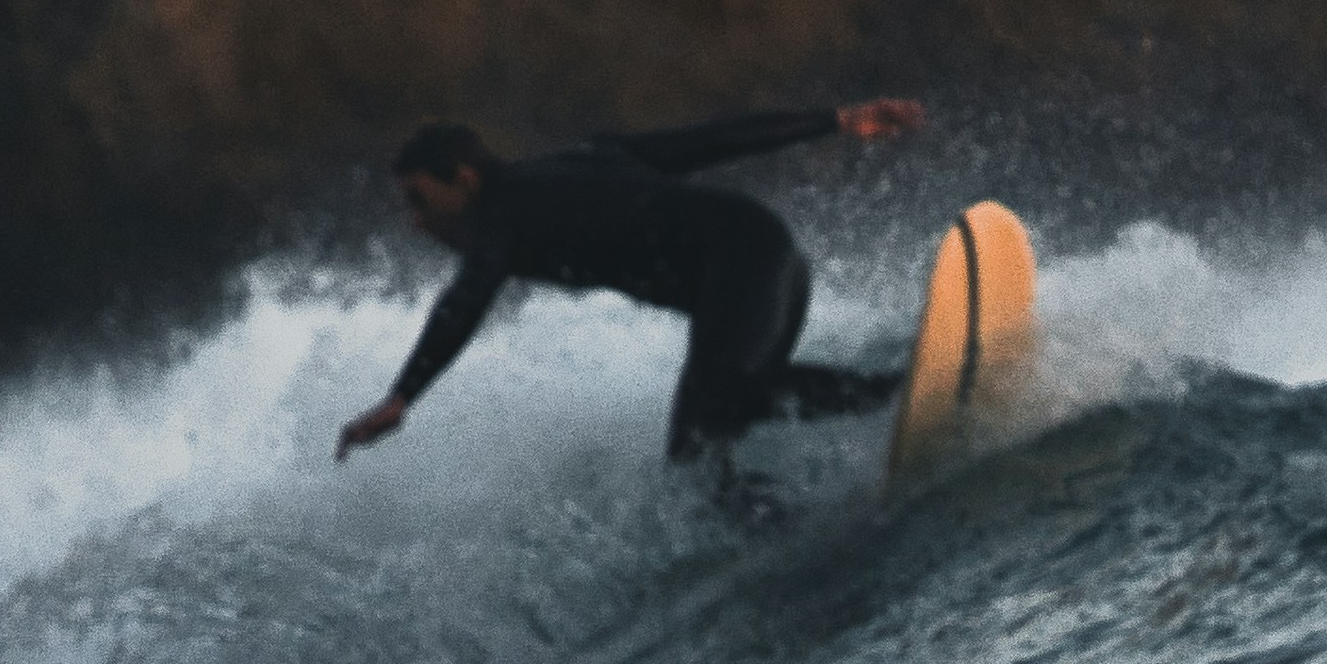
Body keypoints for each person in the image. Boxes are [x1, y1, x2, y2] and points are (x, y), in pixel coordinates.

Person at [335, 97, 929, 471]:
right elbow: (710, 139)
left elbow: (465, 300)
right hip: (765, 259)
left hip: (744, 260)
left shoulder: (499, 216)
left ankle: (897, 393)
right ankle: (776, 525)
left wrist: (401, 397)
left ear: (463, 179)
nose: (417, 221)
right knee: (698, 453)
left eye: (420, 199)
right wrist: (833, 121)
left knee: (720, 402)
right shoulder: (577, 163)